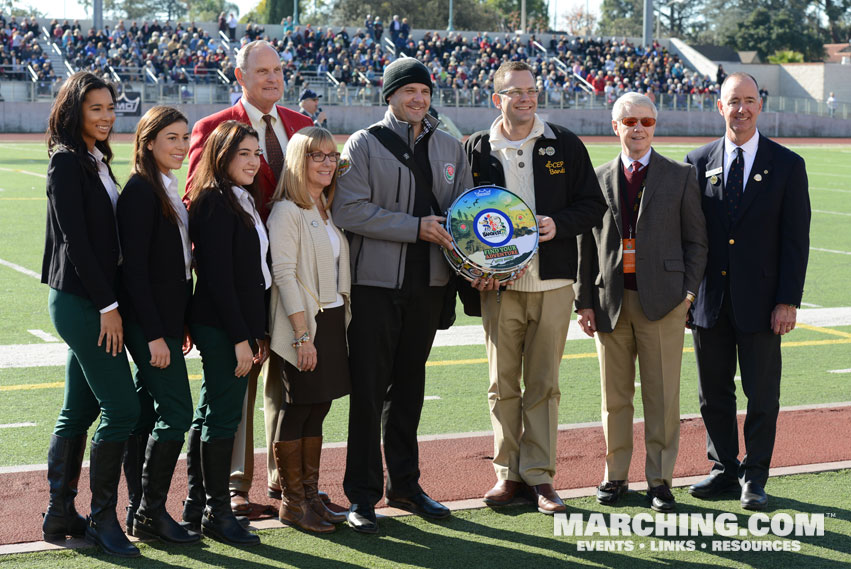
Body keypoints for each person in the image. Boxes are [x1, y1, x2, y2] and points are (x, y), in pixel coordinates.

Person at [332, 57, 472, 534]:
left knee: (409, 390)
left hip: (429, 286)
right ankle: (362, 496)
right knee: (369, 393)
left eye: (425, 92)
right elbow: (349, 210)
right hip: (374, 286)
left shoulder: (452, 145)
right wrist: (415, 228)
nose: (418, 99)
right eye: (408, 91)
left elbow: (467, 217)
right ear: (389, 95)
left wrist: (486, 263)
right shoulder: (363, 144)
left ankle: (406, 486)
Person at [463, 61, 606, 515]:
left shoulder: (563, 142)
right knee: (501, 384)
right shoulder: (476, 149)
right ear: (496, 98)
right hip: (498, 287)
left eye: (531, 91)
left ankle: (541, 477)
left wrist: (556, 224)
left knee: (543, 384)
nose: (525, 99)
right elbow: (461, 218)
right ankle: (507, 475)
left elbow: (592, 206)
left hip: (554, 283)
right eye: (514, 92)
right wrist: (475, 267)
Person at [185, 39, 312, 519]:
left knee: (291, 378)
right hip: (242, 281)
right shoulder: (212, 129)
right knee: (238, 381)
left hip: (294, 276)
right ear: (239, 77)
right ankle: (233, 486)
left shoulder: (301, 126)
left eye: (278, 70)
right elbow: (201, 204)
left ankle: (287, 479)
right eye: (262, 72)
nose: (273, 78)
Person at [575, 93, 707, 512]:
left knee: (663, 395)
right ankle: (615, 477)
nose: (638, 128)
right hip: (610, 301)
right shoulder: (596, 178)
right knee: (614, 397)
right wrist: (584, 301)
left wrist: (687, 294)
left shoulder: (680, 176)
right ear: (615, 127)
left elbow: (696, 242)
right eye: (629, 120)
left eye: (646, 121)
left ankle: (660, 480)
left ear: (655, 126)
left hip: (664, 302)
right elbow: (584, 246)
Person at [685, 72, 810, 510]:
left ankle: (755, 476)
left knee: (762, 394)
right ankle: (722, 469)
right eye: (732, 101)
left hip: (763, 304)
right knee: (712, 393)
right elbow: (689, 237)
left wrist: (788, 300)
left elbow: (796, 241)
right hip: (708, 303)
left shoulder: (788, 164)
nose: (741, 108)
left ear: (761, 105)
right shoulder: (696, 161)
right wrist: (687, 296)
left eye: (749, 100)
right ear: (719, 107)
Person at [40, 71, 141, 558]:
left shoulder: (97, 161)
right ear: (74, 110)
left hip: (92, 300)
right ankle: (103, 521)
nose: (105, 116)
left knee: (80, 409)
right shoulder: (66, 164)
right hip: (84, 303)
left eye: (110, 107)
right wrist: (109, 307)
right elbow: (76, 243)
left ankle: (60, 513)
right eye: (95, 108)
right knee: (123, 408)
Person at [183, 120, 269, 545]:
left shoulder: (239, 198)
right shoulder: (216, 202)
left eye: (257, 153)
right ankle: (217, 513)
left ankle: (197, 505)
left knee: (211, 412)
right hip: (221, 326)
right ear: (221, 156)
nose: (253, 162)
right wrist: (241, 337)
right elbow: (216, 278)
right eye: (244, 154)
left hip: (233, 324)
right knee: (222, 416)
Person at [116, 106, 199, 545]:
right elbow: (135, 274)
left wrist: (178, 322)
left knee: (147, 413)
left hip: (167, 322)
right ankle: (150, 512)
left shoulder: (166, 187)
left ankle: (138, 510)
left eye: (185, 137)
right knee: (177, 412)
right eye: (172, 138)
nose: (182, 146)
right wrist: (153, 334)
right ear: (148, 142)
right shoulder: (141, 191)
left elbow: (176, 268)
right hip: (149, 327)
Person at [267, 127, 351, 533]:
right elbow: (283, 274)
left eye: (332, 156)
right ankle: (292, 502)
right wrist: (302, 336)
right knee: (297, 407)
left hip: (331, 319)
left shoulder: (323, 206)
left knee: (319, 406)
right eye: (317, 155)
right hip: (304, 325)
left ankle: (310, 497)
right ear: (299, 161)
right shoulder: (288, 210)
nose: (327, 162)